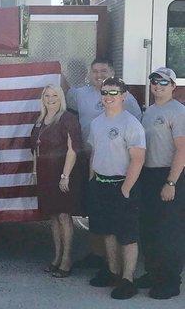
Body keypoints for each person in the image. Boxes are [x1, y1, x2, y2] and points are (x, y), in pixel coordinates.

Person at [66, 58, 142, 269]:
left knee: (120, 219)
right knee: (93, 211)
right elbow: (60, 101)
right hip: (88, 159)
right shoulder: (79, 94)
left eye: (104, 70)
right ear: (89, 74)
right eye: (95, 71)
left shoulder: (129, 100)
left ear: (113, 72)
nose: (99, 74)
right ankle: (97, 255)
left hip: (119, 165)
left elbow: (137, 129)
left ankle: (121, 270)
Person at [87, 77, 145, 300]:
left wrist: (126, 189)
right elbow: (94, 152)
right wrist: (92, 178)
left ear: (123, 96)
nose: (108, 97)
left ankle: (127, 279)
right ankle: (113, 272)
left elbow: (138, 159)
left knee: (127, 235)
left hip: (123, 185)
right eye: (104, 92)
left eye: (113, 93)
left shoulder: (131, 124)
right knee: (107, 231)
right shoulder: (96, 123)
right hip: (100, 183)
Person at [136, 67, 185, 299]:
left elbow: (182, 150)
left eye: (164, 83)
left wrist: (171, 182)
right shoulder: (150, 110)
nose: (158, 86)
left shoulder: (178, 112)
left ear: (173, 86)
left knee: (169, 232)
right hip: (149, 175)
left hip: (170, 176)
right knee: (150, 229)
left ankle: (170, 281)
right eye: (154, 81)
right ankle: (153, 273)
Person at [31, 85, 82, 278]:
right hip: (45, 175)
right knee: (53, 217)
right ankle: (57, 257)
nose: (50, 99)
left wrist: (65, 175)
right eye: (47, 95)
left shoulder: (67, 118)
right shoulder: (40, 120)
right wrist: (34, 170)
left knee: (63, 216)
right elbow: (35, 147)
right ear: (42, 98)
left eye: (54, 95)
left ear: (61, 97)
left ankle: (67, 260)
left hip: (61, 174)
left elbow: (73, 149)